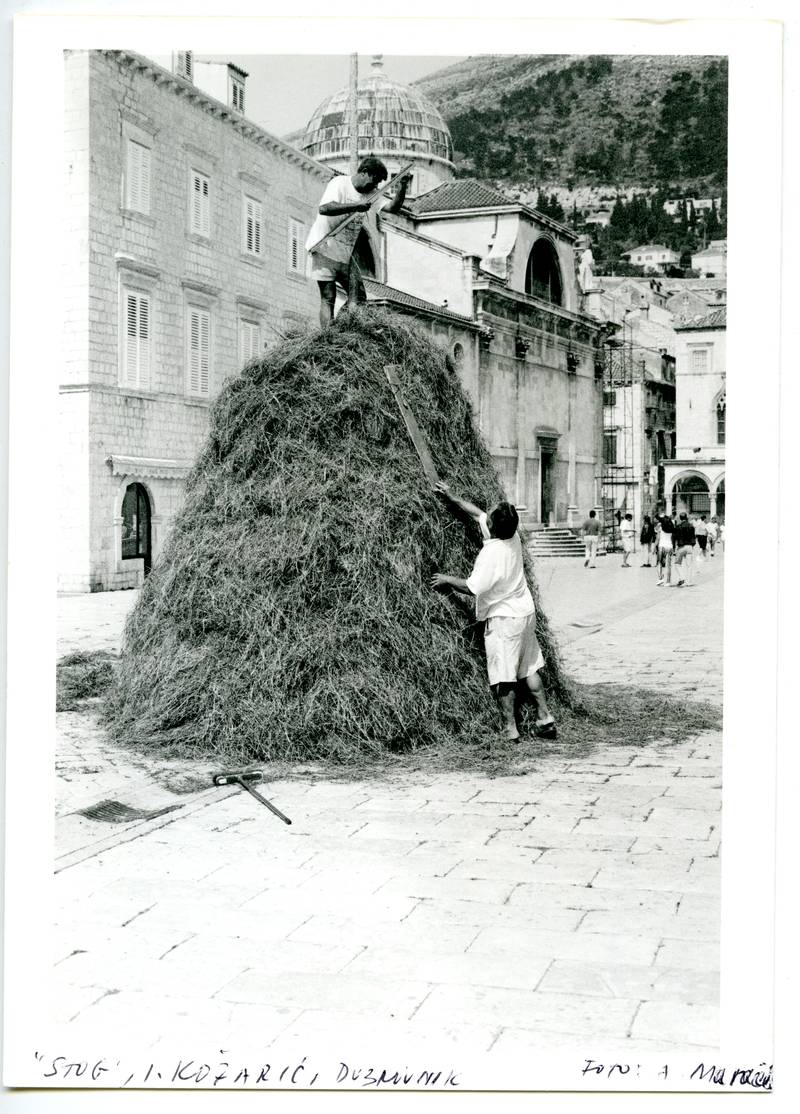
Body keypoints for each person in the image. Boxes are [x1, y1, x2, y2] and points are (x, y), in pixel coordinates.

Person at [430, 481, 557, 743]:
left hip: (504, 619)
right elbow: (477, 514)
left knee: (503, 676)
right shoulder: (513, 537)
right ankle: (545, 717)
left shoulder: (491, 555)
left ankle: (510, 729)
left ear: (493, 527)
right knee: (529, 667)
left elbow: (472, 587)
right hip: (525, 613)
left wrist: (446, 579)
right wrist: (453, 497)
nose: (485, 515)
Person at [305, 156, 410, 328]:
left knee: (359, 297)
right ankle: (327, 335)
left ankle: (341, 328)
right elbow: (324, 208)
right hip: (325, 247)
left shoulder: (371, 194)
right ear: (364, 173)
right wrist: (356, 207)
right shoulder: (340, 183)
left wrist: (403, 186)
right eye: (375, 180)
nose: (375, 186)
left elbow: (392, 208)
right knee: (328, 297)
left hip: (346, 254)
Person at [673, 511, 696, 587]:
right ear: (686, 518)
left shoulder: (678, 526)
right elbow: (693, 538)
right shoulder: (691, 526)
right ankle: (688, 582)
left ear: (680, 518)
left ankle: (682, 578)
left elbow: (675, 537)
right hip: (689, 546)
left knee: (677, 563)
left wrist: (674, 547)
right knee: (689, 565)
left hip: (681, 547)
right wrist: (692, 545)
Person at [656, 511, 675, 586]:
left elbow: (657, 538)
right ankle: (668, 582)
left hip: (661, 546)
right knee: (668, 565)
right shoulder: (671, 527)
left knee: (660, 563)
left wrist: (654, 547)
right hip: (669, 546)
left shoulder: (660, 527)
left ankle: (660, 579)